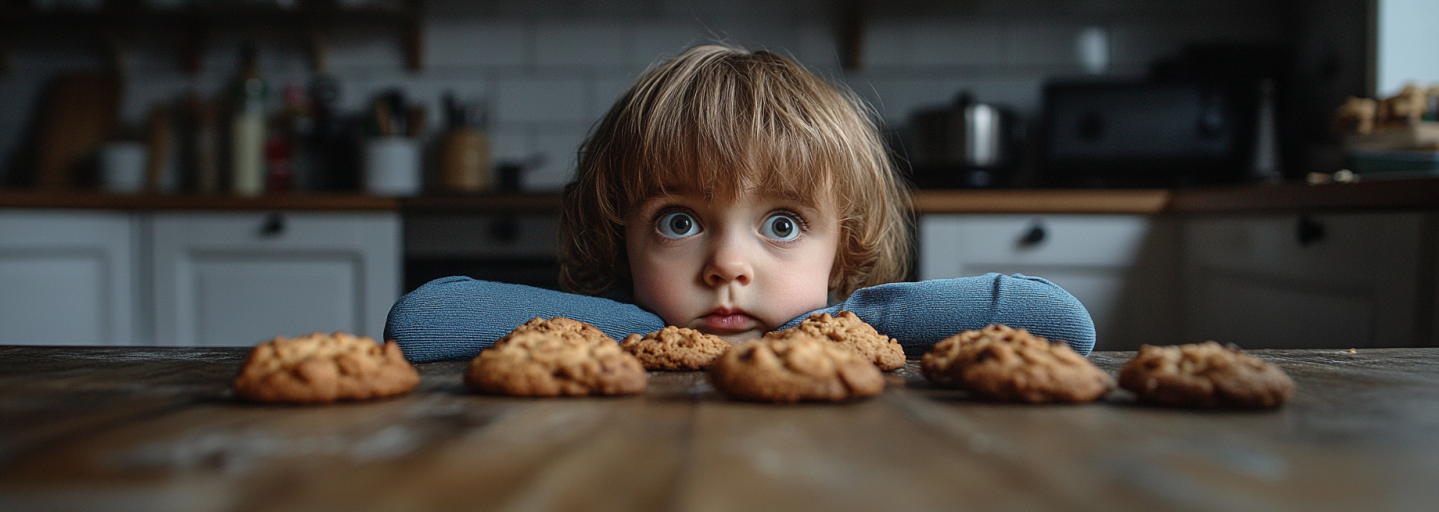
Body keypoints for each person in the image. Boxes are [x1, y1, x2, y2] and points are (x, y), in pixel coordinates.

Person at [384, 45, 1094, 363]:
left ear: (843, 246)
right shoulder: (614, 336)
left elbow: (1060, 322)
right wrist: (638, 329)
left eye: (781, 225)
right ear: (618, 234)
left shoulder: (848, 332)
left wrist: (838, 321)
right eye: (679, 221)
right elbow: (423, 320)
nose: (726, 265)